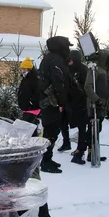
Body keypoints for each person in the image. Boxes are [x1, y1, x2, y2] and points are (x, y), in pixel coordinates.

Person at [38, 36, 73, 174]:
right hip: (52, 102)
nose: (68, 49)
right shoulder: (55, 60)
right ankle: (46, 161)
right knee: (51, 132)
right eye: (67, 46)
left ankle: (47, 158)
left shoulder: (50, 58)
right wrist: (61, 102)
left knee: (51, 132)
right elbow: (59, 83)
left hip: (49, 102)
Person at [84, 49, 109, 162]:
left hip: (102, 105)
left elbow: (108, 90)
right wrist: (96, 100)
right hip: (94, 105)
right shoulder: (94, 70)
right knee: (93, 130)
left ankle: (94, 151)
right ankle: (87, 152)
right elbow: (88, 87)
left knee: (98, 129)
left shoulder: (105, 71)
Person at [67, 50, 89, 165]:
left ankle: (80, 152)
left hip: (82, 104)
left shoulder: (82, 70)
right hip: (75, 105)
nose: (69, 62)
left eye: (71, 60)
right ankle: (79, 151)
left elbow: (85, 88)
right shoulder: (71, 69)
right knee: (81, 129)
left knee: (83, 129)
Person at [17, 57, 40, 135]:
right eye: (22, 68)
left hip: (31, 108)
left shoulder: (34, 79)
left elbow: (37, 93)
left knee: (28, 128)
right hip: (27, 107)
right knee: (31, 127)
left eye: (24, 68)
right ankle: (35, 142)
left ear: (28, 69)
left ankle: (33, 142)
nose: (22, 70)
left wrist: (31, 102)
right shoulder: (25, 78)